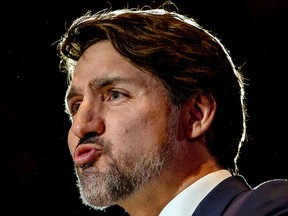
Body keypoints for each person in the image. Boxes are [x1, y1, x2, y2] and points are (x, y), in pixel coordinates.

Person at [56, 2, 288, 216]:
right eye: (75, 106)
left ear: (197, 115)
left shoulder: (270, 209)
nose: (80, 125)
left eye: (115, 95)